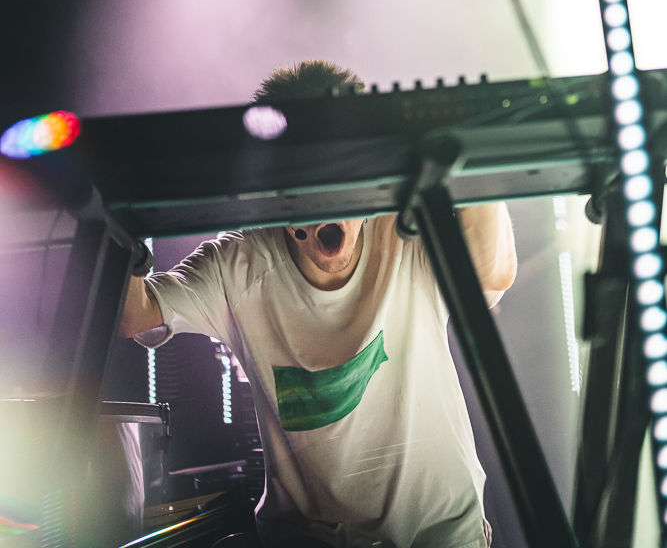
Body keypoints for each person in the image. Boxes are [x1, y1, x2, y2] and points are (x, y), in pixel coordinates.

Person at [120, 61, 517, 548]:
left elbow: (490, 273)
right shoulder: (240, 262)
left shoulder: (405, 231)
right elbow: (136, 315)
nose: (326, 211)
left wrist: (459, 142)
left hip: (439, 535)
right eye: (305, 184)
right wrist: (124, 225)